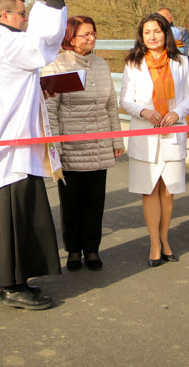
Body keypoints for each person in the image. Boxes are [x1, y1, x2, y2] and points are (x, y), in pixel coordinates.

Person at [0, 0, 65, 310]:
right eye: (22, 13)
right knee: (13, 219)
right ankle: (9, 285)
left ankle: (12, 281)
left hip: (8, 148)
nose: (26, 18)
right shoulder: (7, 42)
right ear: (4, 16)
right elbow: (44, 42)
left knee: (16, 218)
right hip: (8, 152)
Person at [45, 16, 124, 271]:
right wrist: (55, 148)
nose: (91, 38)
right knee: (71, 203)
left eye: (93, 33)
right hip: (72, 147)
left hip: (99, 144)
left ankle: (92, 249)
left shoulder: (101, 65)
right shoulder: (57, 65)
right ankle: (73, 250)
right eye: (84, 34)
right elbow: (50, 109)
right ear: (70, 38)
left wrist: (116, 138)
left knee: (95, 202)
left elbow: (111, 103)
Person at [120, 13, 189, 267]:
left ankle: (165, 240)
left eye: (157, 31)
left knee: (168, 190)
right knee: (150, 188)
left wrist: (177, 113)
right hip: (146, 131)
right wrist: (143, 111)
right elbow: (125, 99)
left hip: (172, 130)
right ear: (141, 36)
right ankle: (153, 243)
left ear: (167, 34)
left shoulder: (181, 61)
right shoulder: (133, 63)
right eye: (147, 32)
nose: (152, 36)